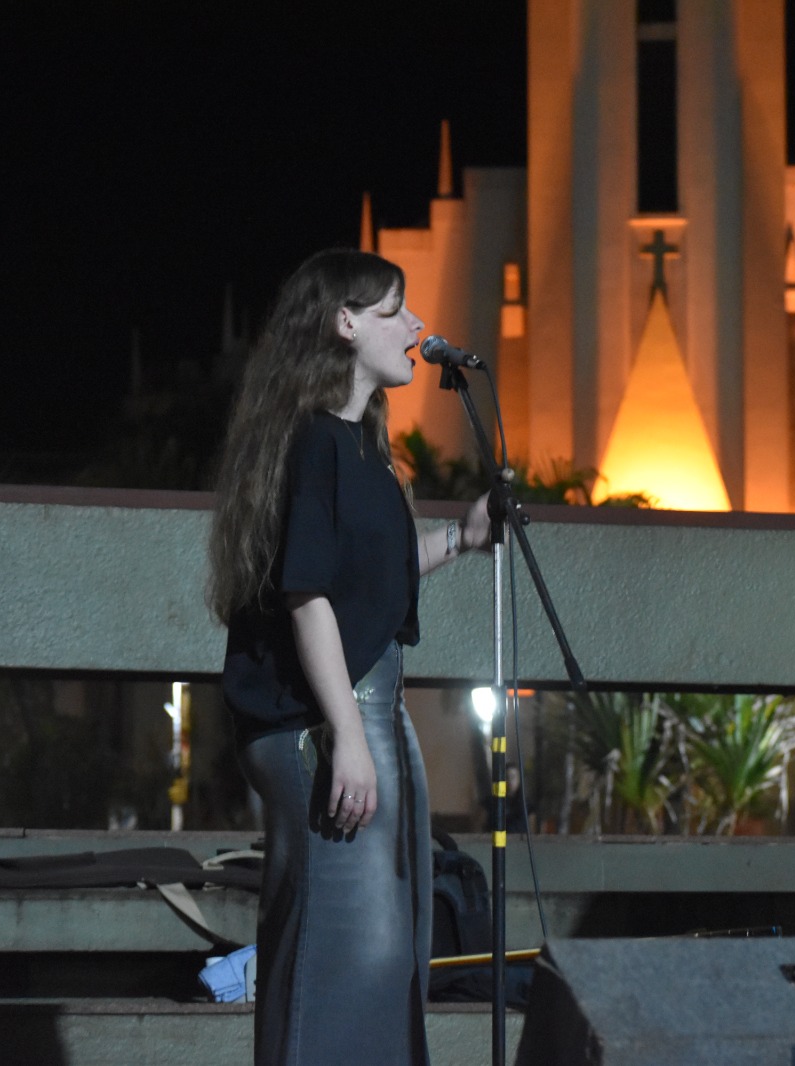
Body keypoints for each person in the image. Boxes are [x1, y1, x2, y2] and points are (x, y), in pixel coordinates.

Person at [207, 248, 489, 1065]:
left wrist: (461, 540)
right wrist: (349, 736)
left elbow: (364, 578)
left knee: (381, 949)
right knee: (350, 949)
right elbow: (308, 596)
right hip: (322, 724)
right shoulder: (313, 443)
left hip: (364, 715)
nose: (416, 326)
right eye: (396, 309)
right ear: (345, 322)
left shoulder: (362, 447)